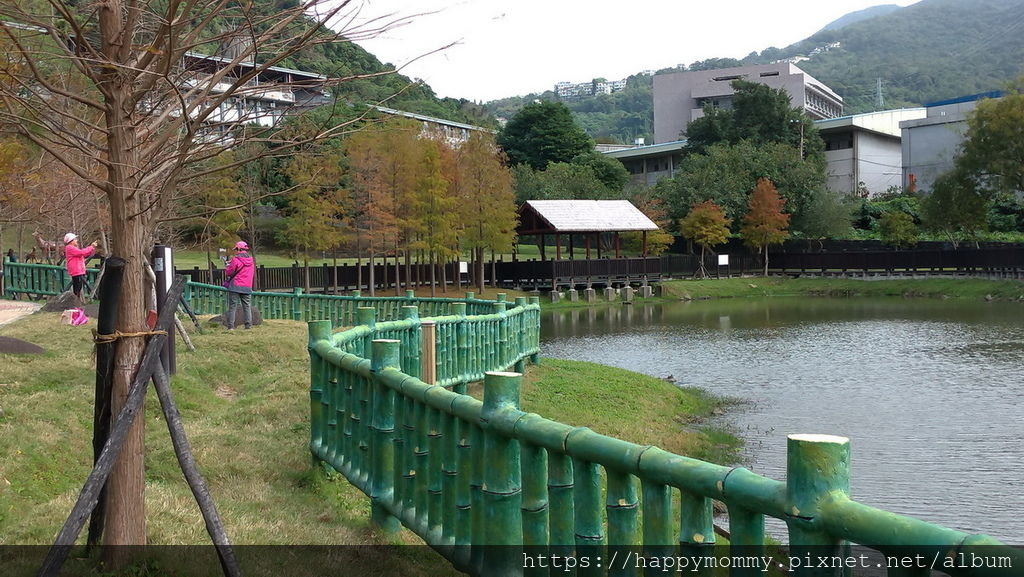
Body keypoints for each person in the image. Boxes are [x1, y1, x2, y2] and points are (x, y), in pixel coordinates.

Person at [224, 240, 255, 330]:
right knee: (247, 306)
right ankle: (248, 326)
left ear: (238, 249)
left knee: (233, 306)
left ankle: (231, 326)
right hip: (247, 286)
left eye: (236, 249)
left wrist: (228, 266)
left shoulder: (236, 260)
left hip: (235, 285)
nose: (235, 251)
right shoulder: (251, 261)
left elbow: (229, 272)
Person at [63, 232, 97, 301]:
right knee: (77, 289)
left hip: (79, 271)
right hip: (76, 271)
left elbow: (84, 254)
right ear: (71, 241)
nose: (77, 240)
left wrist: (91, 249)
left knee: (78, 288)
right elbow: (81, 252)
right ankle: (76, 304)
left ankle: (76, 304)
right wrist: (91, 247)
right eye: (75, 239)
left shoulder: (72, 248)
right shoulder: (70, 248)